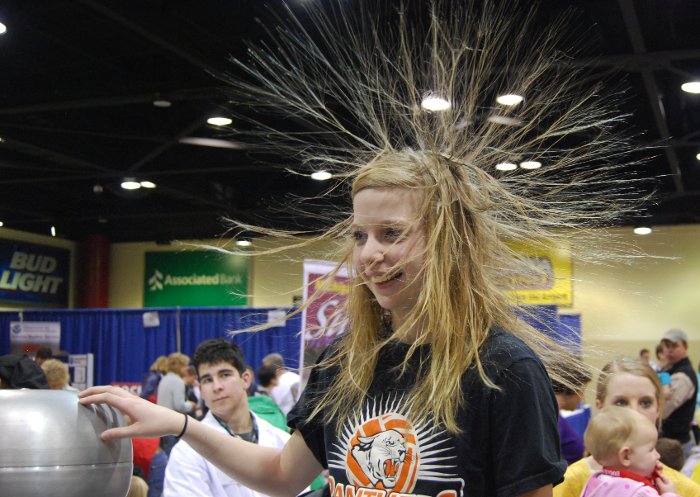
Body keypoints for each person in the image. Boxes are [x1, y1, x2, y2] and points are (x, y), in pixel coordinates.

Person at [78, 2, 651, 496]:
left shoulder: (502, 369)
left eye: (391, 233)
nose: (369, 254)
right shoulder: (343, 361)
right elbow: (281, 475)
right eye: (359, 235)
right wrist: (179, 424)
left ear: (448, 244)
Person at [163, 338, 293, 497]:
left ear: (245, 379)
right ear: (201, 390)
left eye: (224, 375)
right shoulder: (187, 452)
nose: (217, 386)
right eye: (207, 380)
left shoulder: (281, 440)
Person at [553, 357, 700, 497]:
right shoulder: (570, 482)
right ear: (601, 408)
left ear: (659, 409)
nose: (633, 413)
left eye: (645, 403)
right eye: (621, 403)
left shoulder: (685, 489)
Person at [580, 406, 678, 497]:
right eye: (651, 449)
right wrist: (670, 493)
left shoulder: (595, 482)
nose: (658, 455)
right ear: (626, 456)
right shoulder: (641, 493)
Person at [660, 329, 698, 455]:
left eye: (674, 346)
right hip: (669, 441)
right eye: (666, 346)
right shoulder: (671, 369)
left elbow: (663, 410)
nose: (669, 350)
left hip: (676, 446)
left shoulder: (683, 376)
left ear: (685, 346)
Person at [552, 364, 592, 465]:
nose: (582, 397)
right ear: (571, 389)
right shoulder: (553, 420)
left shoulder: (555, 416)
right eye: (581, 391)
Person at [157, 352, 195, 455]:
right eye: (185, 365)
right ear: (179, 366)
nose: (187, 368)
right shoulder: (177, 381)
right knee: (172, 452)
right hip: (172, 424)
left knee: (166, 451)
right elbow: (179, 406)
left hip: (161, 422)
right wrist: (191, 405)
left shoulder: (164, 379)